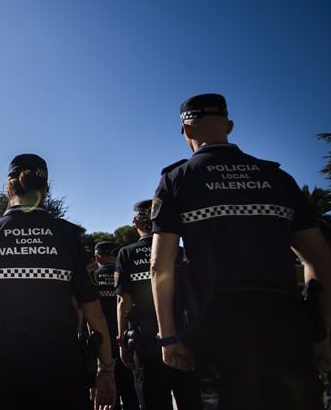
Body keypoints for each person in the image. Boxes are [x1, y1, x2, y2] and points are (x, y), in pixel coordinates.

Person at [150, 93, 331, 409]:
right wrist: (324, 332)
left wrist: (169, 336)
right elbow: (319, 258)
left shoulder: (177, 180)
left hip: (216, 323)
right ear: (229, 126)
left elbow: (159, 265)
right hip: (285, 320)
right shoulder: (278, 177)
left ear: (187, 132)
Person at [0, 153, 115, 410]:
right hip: (61, 364)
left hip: (5, 365)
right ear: (46, 189)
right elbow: (94, 312)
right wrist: (107, 369)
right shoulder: (68, 235)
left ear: (8, 187)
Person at [116, 202, 201, 410]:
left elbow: (122, 301)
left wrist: (121, 341)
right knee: (190, 399)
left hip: (145, 340)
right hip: (182, 332)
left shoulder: (126, 254)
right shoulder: (179, 252)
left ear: (136, 222)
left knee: (152, 401)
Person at [93, 241, 138, 410]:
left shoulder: (92, 277)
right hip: (127, 338)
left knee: (107, 396)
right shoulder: (126, 273)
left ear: (97, 257)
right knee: (131, 392)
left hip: (101, 343)